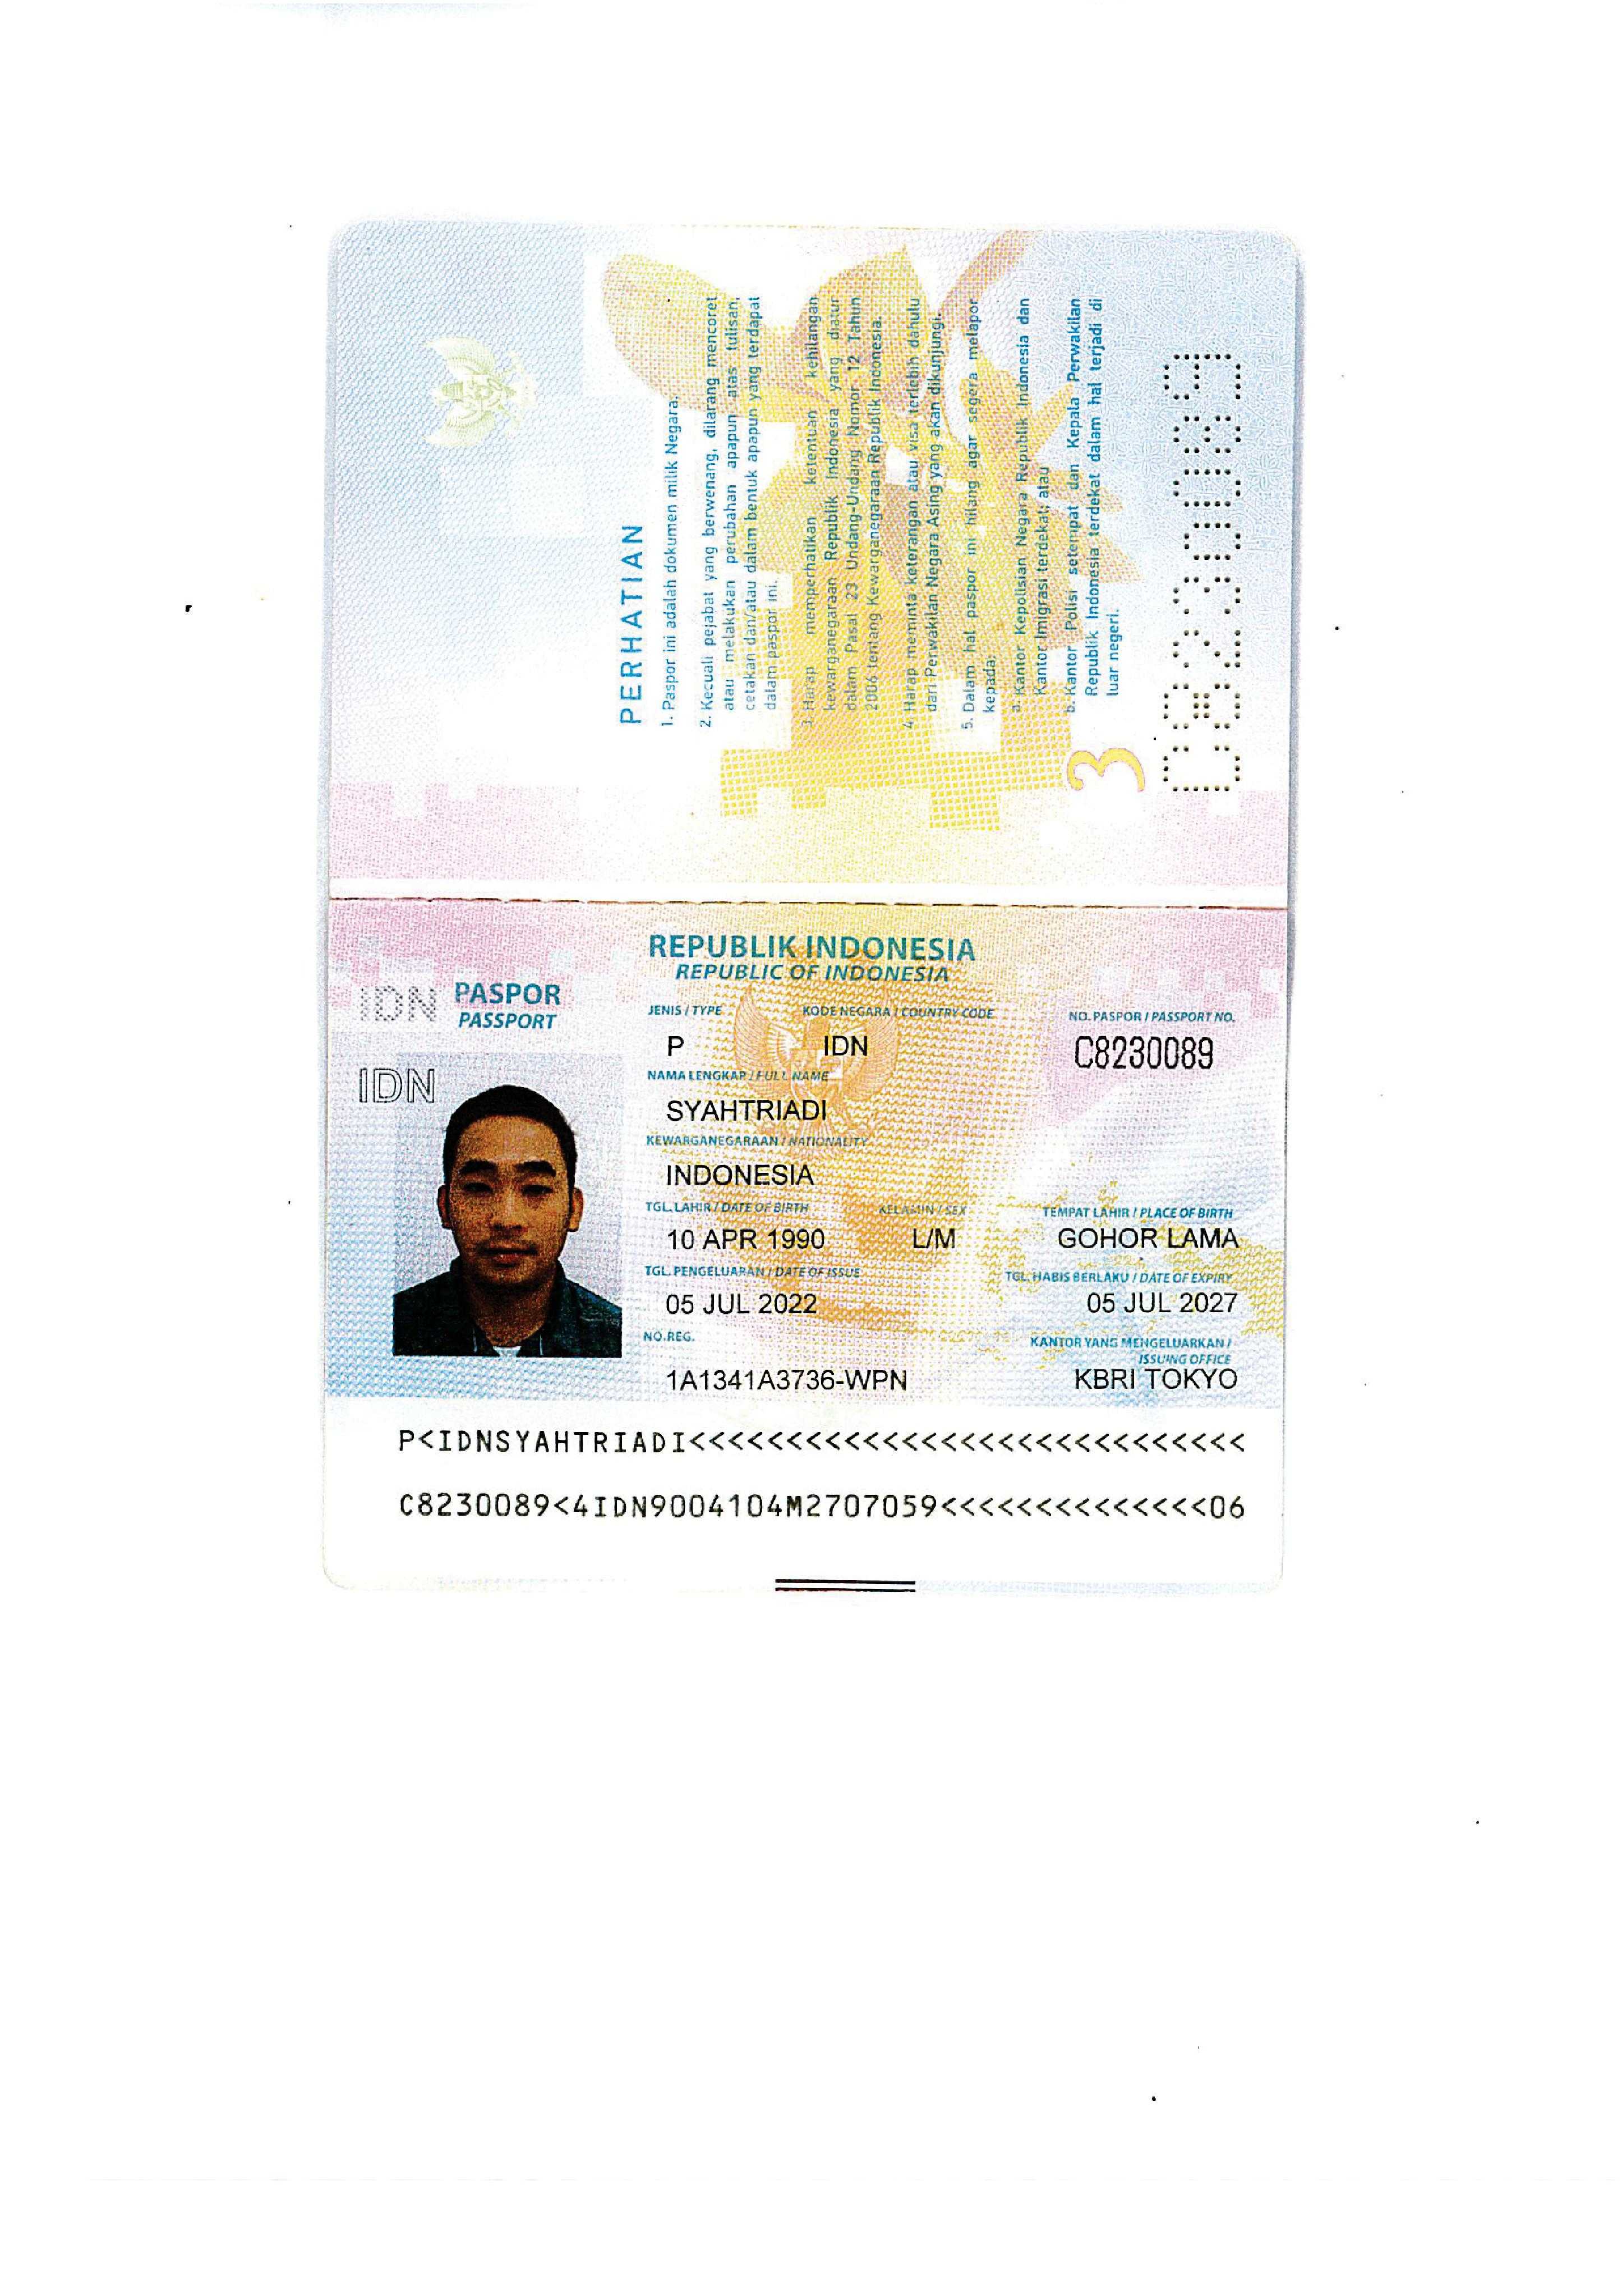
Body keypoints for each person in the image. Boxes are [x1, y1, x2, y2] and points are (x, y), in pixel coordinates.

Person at [393, 1085, 621, 1356]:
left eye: (536, 1189)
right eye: (479, 1188)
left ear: (574, 1210)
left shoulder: (619, 1340)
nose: (506, 1219)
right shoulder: (385, 1329)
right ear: (445, 1207)